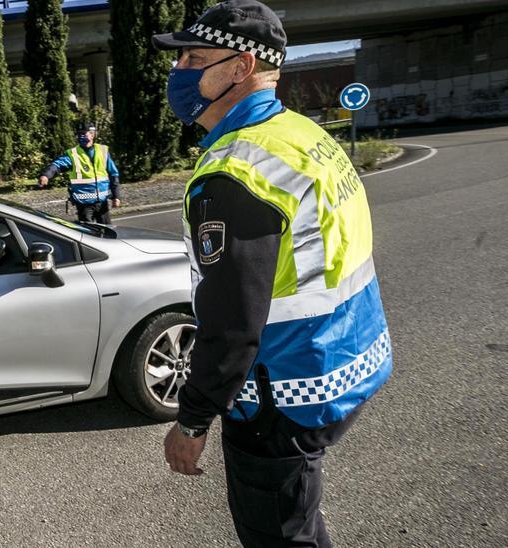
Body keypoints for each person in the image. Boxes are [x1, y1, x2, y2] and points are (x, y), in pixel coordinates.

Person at [152, 1, 393, 546]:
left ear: (240, 68)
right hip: (347, 362)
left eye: (192, 56)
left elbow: (233, 322)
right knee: (299, 517)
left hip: (279, 392)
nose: (178, 70)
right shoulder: (302, 134)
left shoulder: (238, 170)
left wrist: (192, 422)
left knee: (280, 537)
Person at [38, 123, 122, 224]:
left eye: (84, 133)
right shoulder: (73, 154)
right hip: (84, 205)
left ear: (92, 134)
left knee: (108, 233)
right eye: (79, 134)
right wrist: (46, 175)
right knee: (88, 236)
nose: (81, 136)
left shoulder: (103, 151)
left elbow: (114, 174)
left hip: (102, 202)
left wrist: (116, 196)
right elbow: (57, 165)